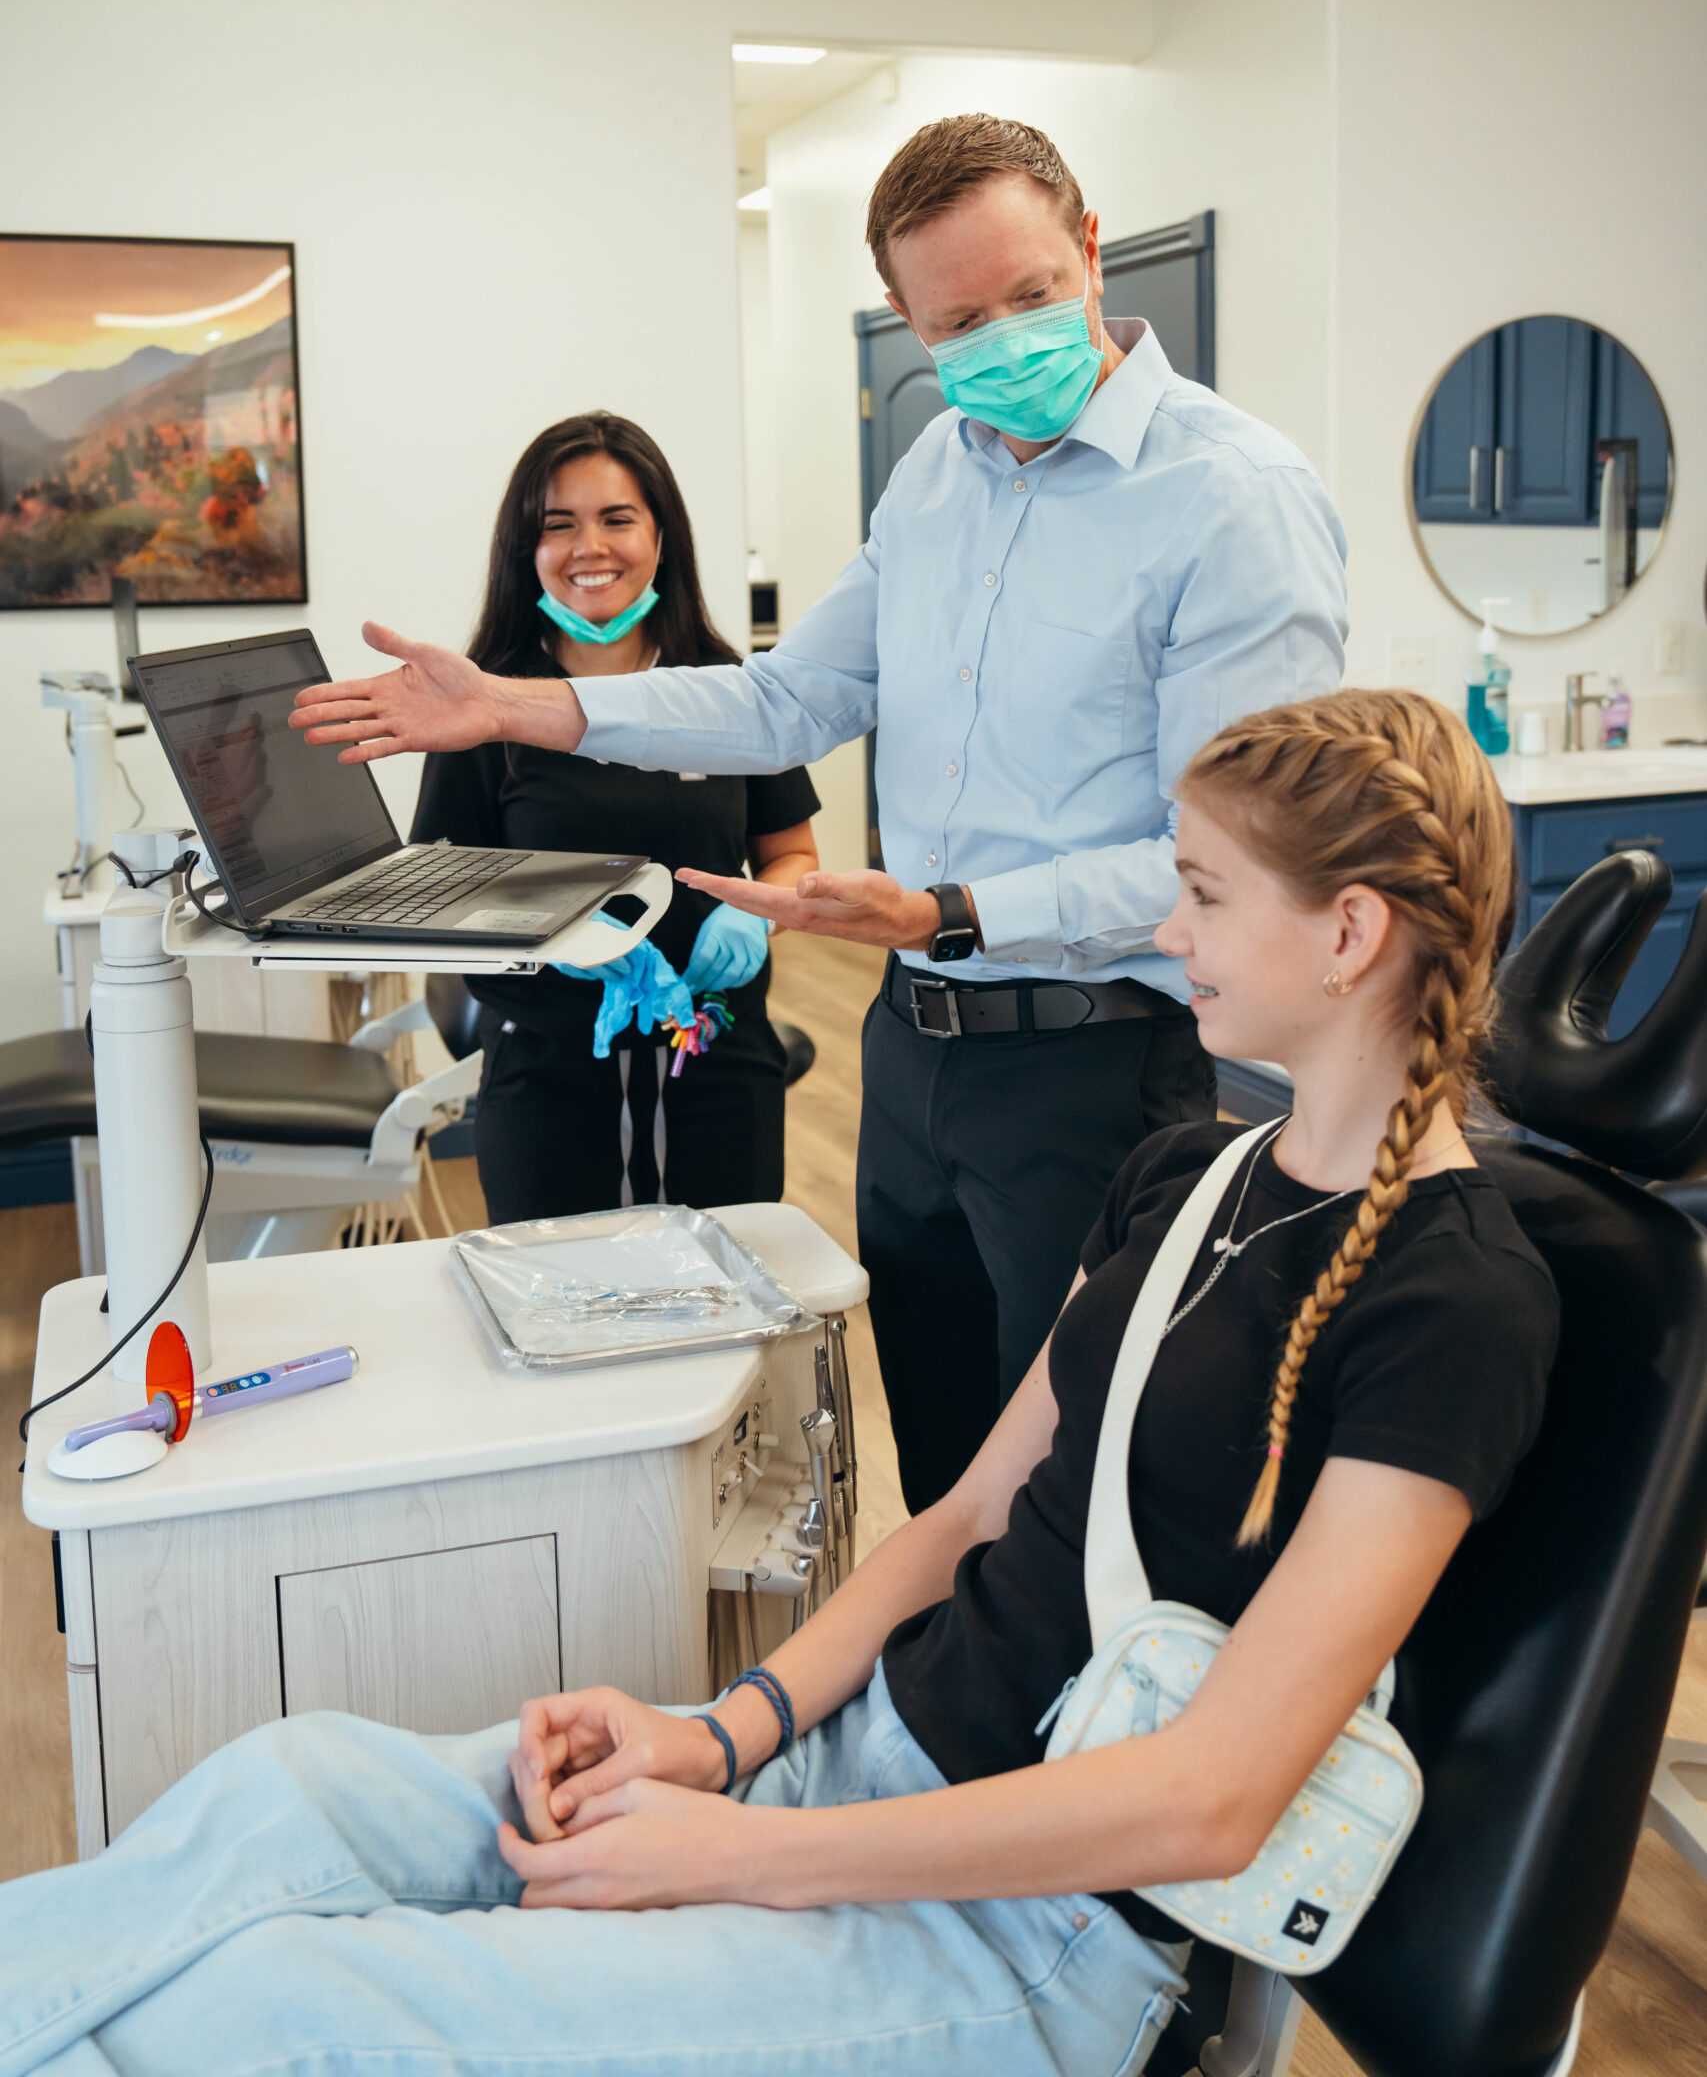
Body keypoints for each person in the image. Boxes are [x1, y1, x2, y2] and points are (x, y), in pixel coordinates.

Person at [0, 691, 1558, 2077]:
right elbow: (955, 1524)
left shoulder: (1452, 1302)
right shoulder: (1187, 1176)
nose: (1168, 933)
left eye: (1203, 896)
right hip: (860, 1764)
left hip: (1034, 1945)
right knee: (293, 1790)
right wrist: (723, 1742)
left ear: (1347, 934)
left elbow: (1210, 1804)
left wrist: (741, 1861)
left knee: (266, 2012)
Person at [291, 115, 1349, 1512]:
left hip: (1088, 1063)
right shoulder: (934, 478)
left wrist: (953, 912)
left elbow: (1233, 856)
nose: (1003, 341)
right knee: (941, 1459)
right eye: (957, 322)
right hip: (911, 1053)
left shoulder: (1232, 498)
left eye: (1030, 295)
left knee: (1075, 1485)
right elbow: (787, 700)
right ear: (907, 327)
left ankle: (1082, 1732)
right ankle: (941, 1723)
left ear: (1088, 254)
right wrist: (514, 706)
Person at [412, 413, 820, 1222]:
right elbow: (437, 891)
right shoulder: (483, 704)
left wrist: (756, 920)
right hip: (548, 1068)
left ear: (660, 534)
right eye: (557, 525)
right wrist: (548, 942)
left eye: (616, 519)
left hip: (716, 1054)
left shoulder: (724, 686)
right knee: (561, 1308)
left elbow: (794, 855)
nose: (588, 548)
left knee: (723, 1302)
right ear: (524, 549)